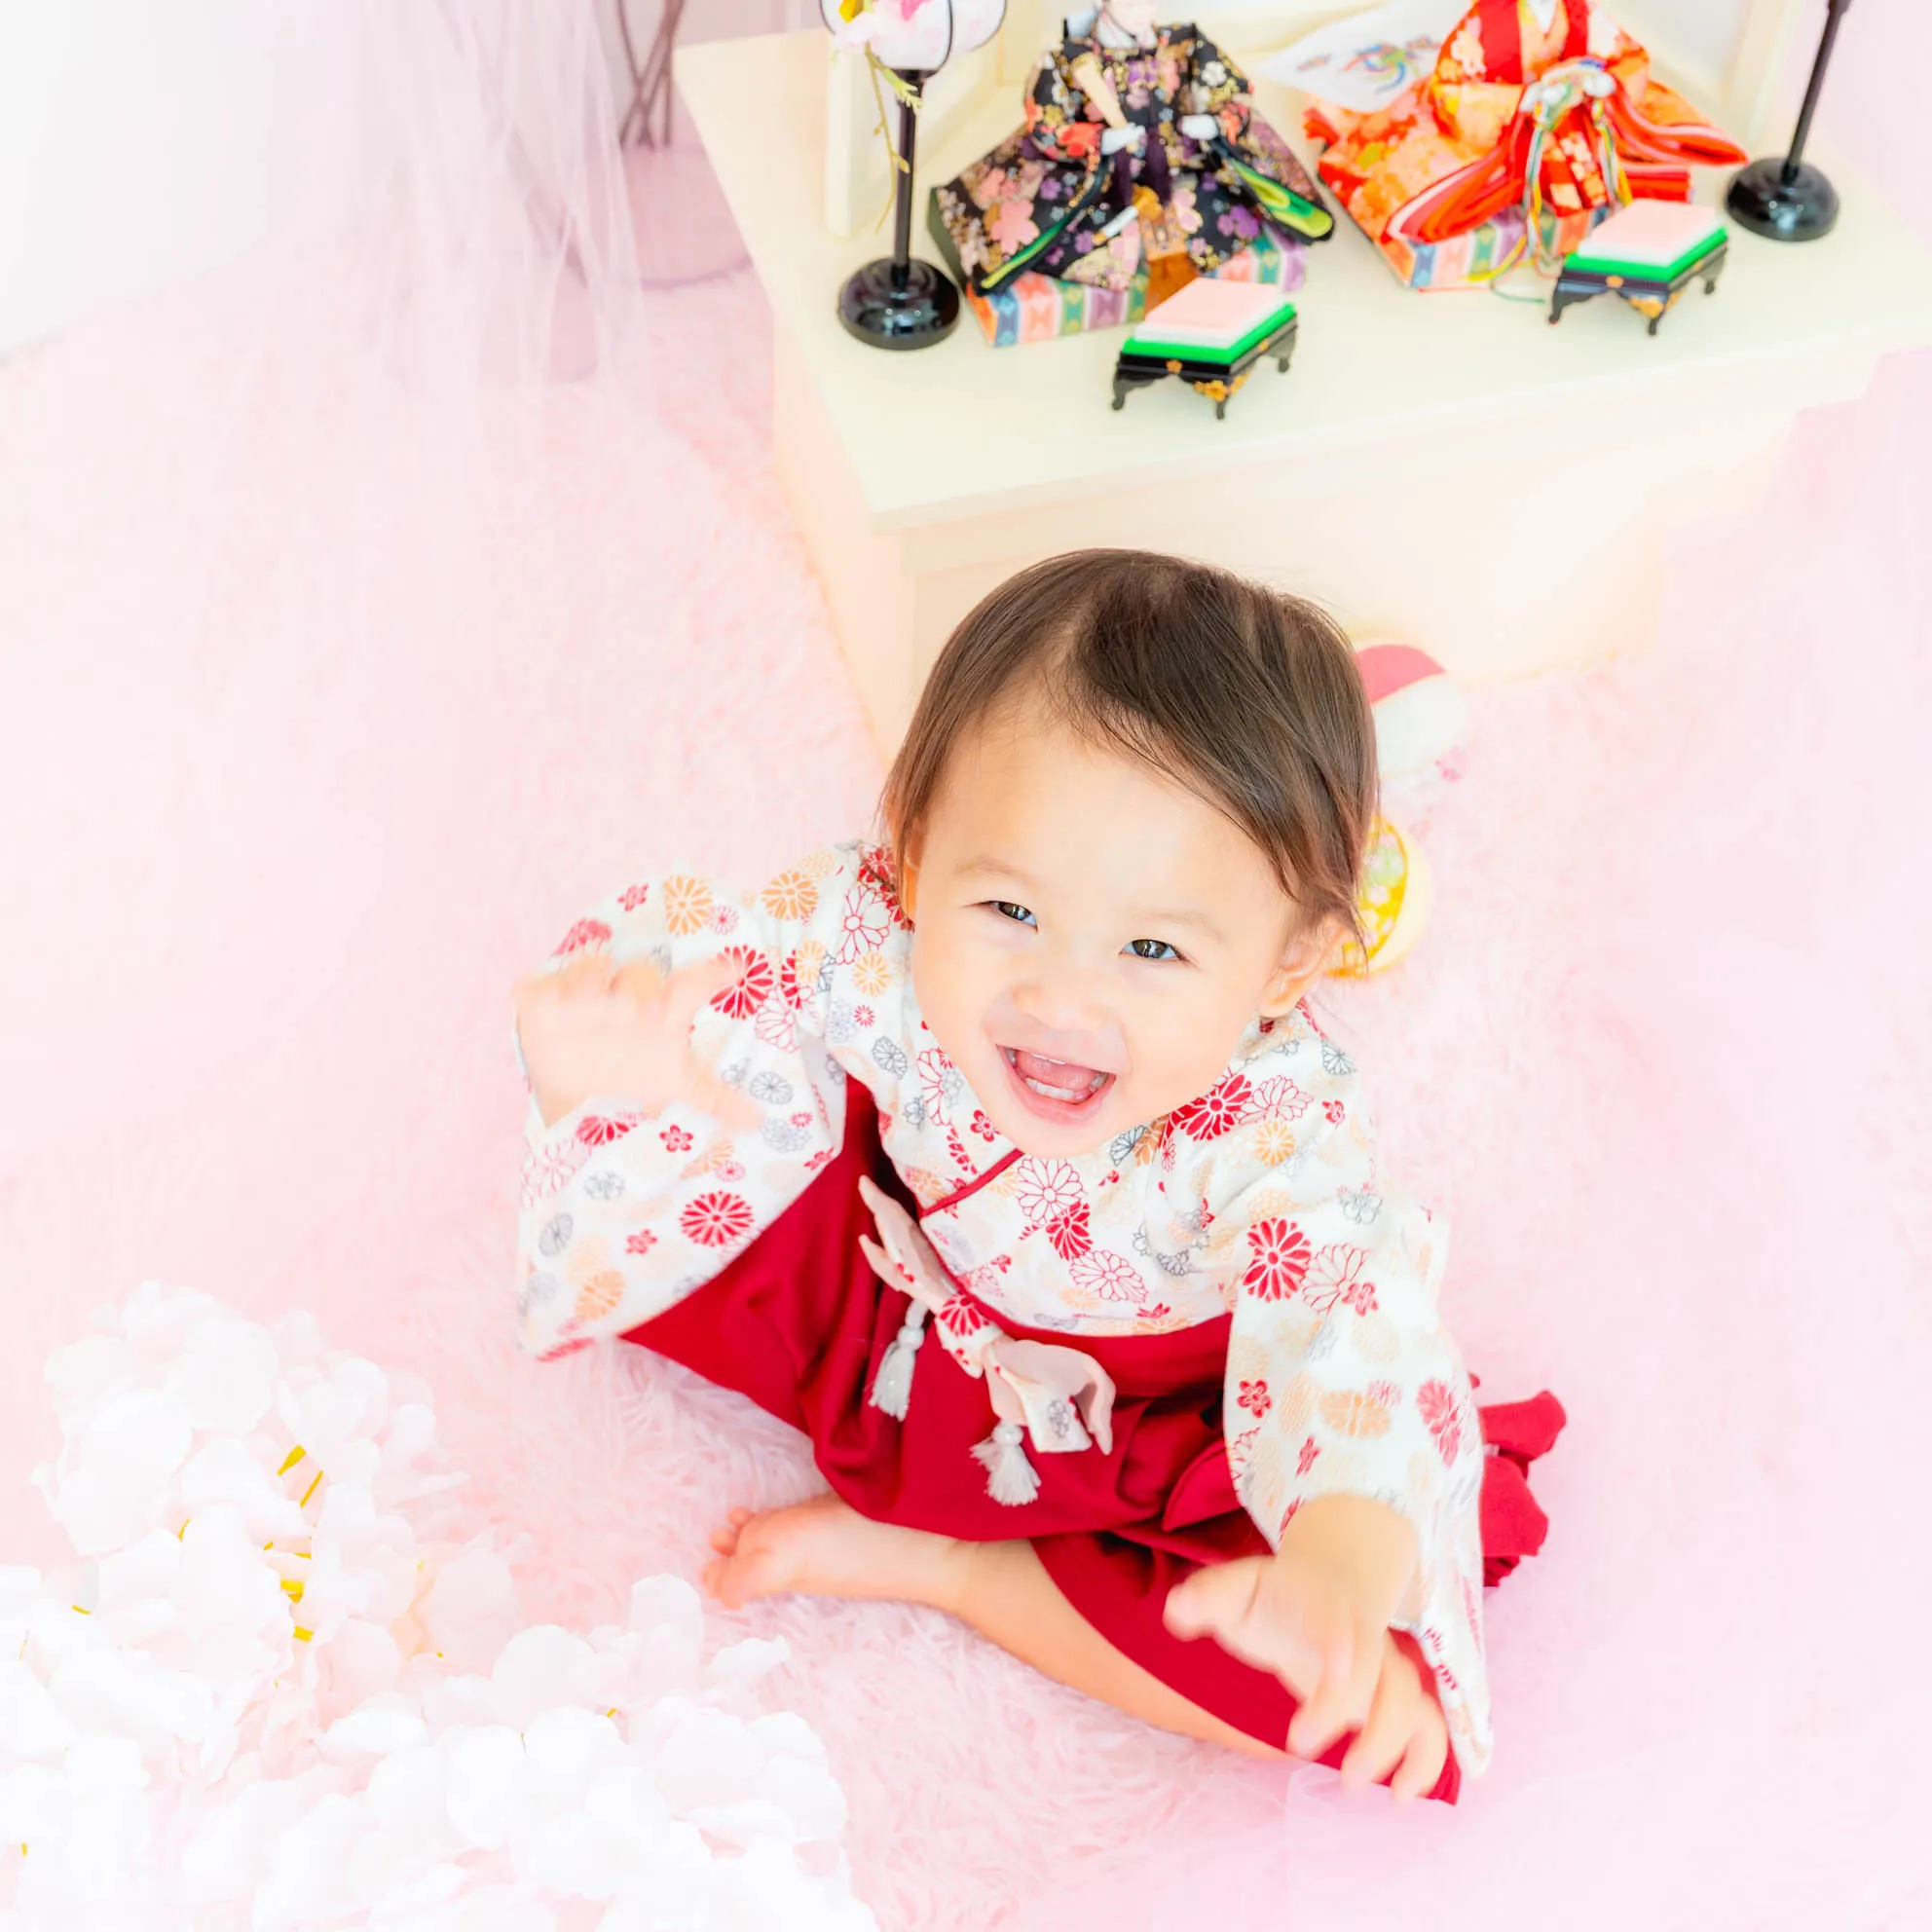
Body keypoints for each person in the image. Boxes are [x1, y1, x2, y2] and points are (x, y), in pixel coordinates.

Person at [511, 549, 1562, 1803]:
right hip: (915, 1307)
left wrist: (1335, 1567)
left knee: (1350, 1693)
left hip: (1154, 1419)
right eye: (1010, 912)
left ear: (1285, 970)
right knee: (693, 1177)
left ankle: (964, 1568)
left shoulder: (1279, 1136)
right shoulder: (873, 926)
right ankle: (929, 1495)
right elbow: (732, 969)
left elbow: (1354, 1332)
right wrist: (627, 1061)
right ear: (913, 850)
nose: (1061, 999)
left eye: (1153, 949)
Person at [929, 0, 1330, 307]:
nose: (1141, 8)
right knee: (1064, 231)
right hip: (1101, 182)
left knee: (1217, 215)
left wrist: (1213, 122)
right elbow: (1045, 122)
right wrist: (1097, 139)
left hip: (1179, 173)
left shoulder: (1184, 43)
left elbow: (1233, 92)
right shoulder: (1068, 59)